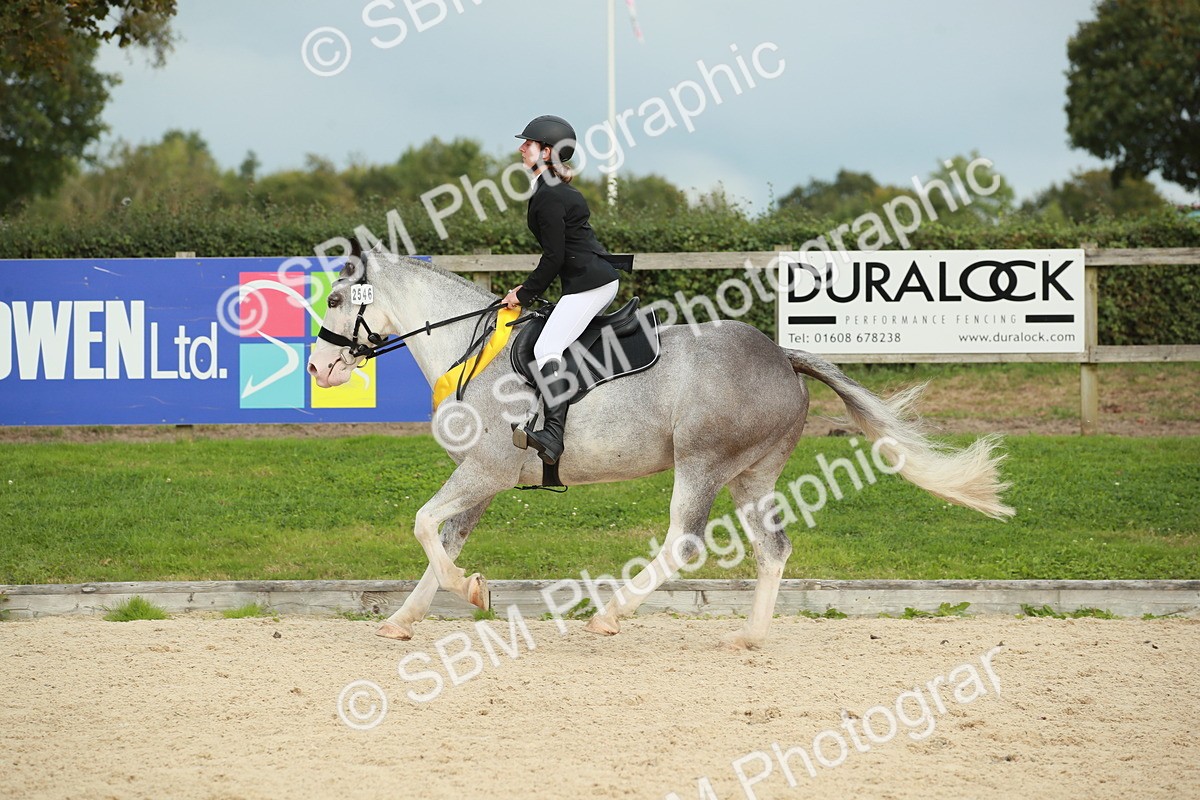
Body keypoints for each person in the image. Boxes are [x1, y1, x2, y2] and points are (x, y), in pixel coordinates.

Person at [503, 114, 623, 466]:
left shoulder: (551, 195)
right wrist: (526, 288)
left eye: (528, 143)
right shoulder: (548, 190)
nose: (521, 148)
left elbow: (554, 256)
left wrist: (525, 294)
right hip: (585, 281)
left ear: (547, 152)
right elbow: (558, 254)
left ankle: (553, 436)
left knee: (547, 347)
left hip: (592, 284)